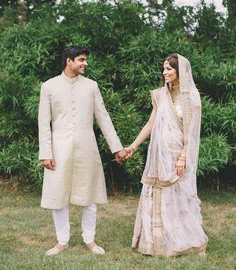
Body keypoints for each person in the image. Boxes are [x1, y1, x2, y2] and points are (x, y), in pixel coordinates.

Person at [38, 46, 127, 256]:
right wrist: (45, 153)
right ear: (69, 61)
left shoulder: (91, 86)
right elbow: (44, 122)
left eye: (85, 60)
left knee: (90, 195)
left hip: (87, 147)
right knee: (58, 195)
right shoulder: (49, 86)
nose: (85, 63)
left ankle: (90, 239)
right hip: (58, 149)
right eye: (81, 60)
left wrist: (117, 148)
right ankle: (62, 240)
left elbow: (103, 118)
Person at [125, 53, 208, 257]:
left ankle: (182, 241)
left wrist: (183, 157)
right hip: (158, 156)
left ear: (180, 71)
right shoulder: (160, 95)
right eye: (164, 69)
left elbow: (191, 131)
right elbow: (150, 124)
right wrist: (133, 146)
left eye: (169, 69)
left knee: (178, 196)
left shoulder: (191, 98)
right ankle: (155, 242)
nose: (165, 72)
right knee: (156, 194)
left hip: (177, 156)